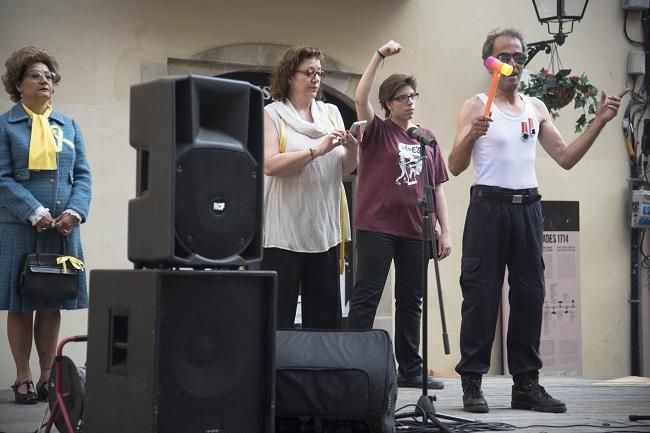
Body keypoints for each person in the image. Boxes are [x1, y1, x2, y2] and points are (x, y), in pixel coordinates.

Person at [448, 28, 627, 413]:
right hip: (488, 206)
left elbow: (565, 156)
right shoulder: (476, 105)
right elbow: (455, 165)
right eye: (507, 56)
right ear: (491, 62)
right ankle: (473, 383)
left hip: (528, 207)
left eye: (520, 55)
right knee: (480, 296)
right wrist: (471, 135)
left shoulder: (536, 107)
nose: (515, 62)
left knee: (530, 295)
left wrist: (599, 121)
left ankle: (526, 384)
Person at [347, 40, 452, 390]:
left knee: (412, 301)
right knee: (367, 295)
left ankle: (411, 369)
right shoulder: (377, 131)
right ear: (388, 103)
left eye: (413, 96)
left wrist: (444, 231)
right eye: (402, 97)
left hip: (415, 230)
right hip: (377, 227)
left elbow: (437, 187)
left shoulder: (426, 138)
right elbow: (360, 98)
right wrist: (377, 55)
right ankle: (352, 363)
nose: (410, 102)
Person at [0, 47, 92, 404]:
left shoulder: (69, 125)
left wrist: (75, 211)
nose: (45, 81)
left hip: (62, 227)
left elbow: (82, 174)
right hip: (21, 226)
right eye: (36, 76)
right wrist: (34, 210)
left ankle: (47, 376)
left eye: (49, 76)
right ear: (18, 85)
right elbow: (3, 178)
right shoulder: (6, 126)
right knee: (21, 303)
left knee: (51, 301)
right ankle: (22, 376)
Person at [261, 46, 358, 330]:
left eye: (319, 73)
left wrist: (352, 149)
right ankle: (275, 374)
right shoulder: (273, 114)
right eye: (309, 72)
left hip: (324, 231)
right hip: (284, 232)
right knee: (278, 317)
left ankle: (321, 375)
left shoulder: (331, 113)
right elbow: (269, 165)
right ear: (290, 76)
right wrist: (316, 150)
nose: (316, 79)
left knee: (325, 319)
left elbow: (344, 169)